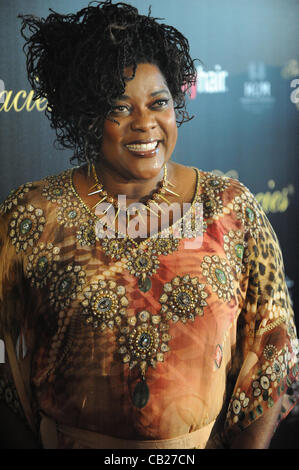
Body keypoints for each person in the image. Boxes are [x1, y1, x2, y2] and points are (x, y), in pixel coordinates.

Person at [0, 0, 298, 449]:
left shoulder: (231, 208)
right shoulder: (32, 216)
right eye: (120, 109)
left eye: (158, 103)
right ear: (87, 117)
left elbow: (274, 344)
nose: (145, 124)